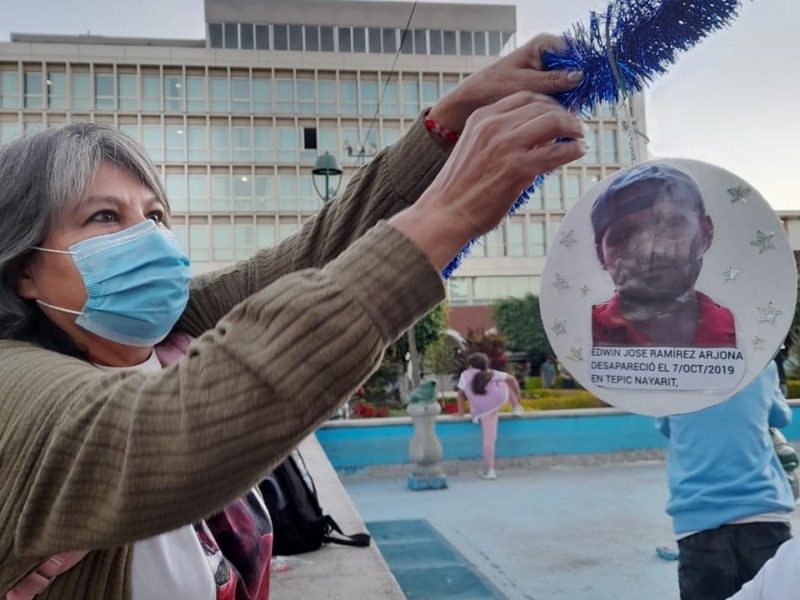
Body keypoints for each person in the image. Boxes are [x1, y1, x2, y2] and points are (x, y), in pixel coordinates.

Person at [0, 34, 586, 598]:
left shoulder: (172, 333)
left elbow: (317, 254)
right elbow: (170, 434)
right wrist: (447, 213)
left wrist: (447, 124)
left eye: (154, 215)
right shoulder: (15, 382)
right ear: (24, 268)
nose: (147, 237)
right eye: (104, 216)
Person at [655, 361, 793, 600]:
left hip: (698, 518)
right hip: (764, 511)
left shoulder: (670, 367)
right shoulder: (760, 364)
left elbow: (666, 426)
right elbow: (781, 417)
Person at [591, 163, 736, 348]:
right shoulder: (579, 331)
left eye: (671, 225)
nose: (649, 250)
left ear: (706, 231)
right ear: (600, 255)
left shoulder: (744, 330)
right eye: (623, 236)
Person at [456, 352, 524, 480]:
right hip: (497, 399)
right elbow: (512, 380)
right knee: (505, 381)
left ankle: (490, 470)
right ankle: (516, 407)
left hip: (481, 409)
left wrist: (461, 413)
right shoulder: (491, 373)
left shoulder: (465, 375)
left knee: (489, 439)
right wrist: (518, 398)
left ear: (470, 365)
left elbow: (460, 395)